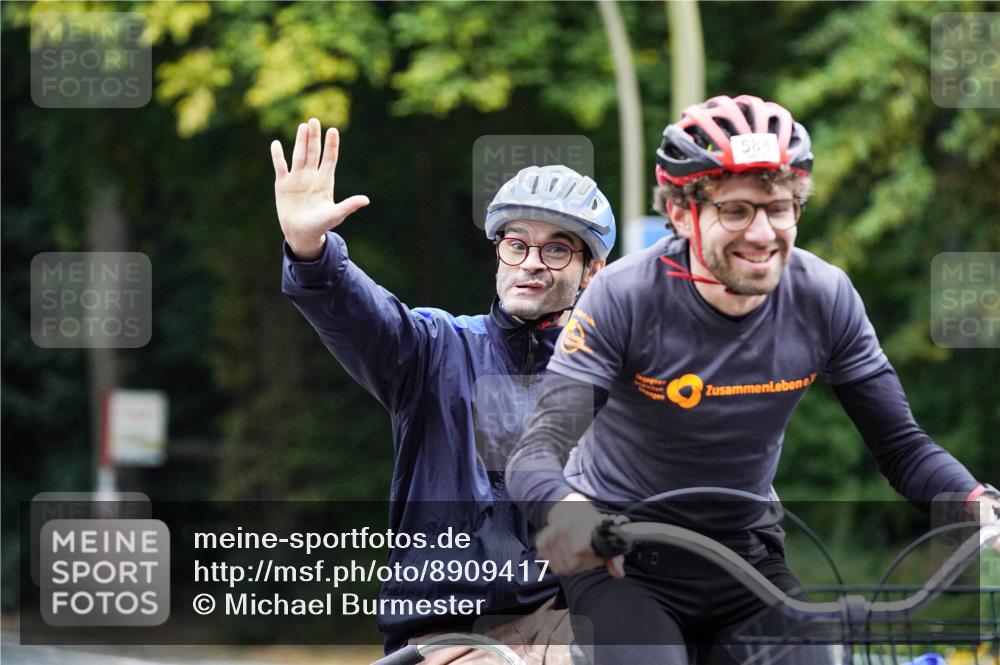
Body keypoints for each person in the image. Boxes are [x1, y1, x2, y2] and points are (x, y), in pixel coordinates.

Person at [505, 94, 1000, 664]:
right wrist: (570, 511)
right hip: (622, 559)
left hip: (748, 559)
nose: (764, 233)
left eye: (781, 207)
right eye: (736, 211)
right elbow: (535, 452)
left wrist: (978, 506)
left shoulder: (823, 297)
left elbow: (902, 448)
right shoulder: (626, 296)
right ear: (682, 214)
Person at [271, 118, 616, 660]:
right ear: (496, 251)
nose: (531, 264)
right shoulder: (434, 348)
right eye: (516, 244)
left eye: (556, 251)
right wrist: (310, 249)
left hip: (570, 627)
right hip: (453, 635)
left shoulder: (611, 377)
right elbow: (362, 316)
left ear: (593, 270)